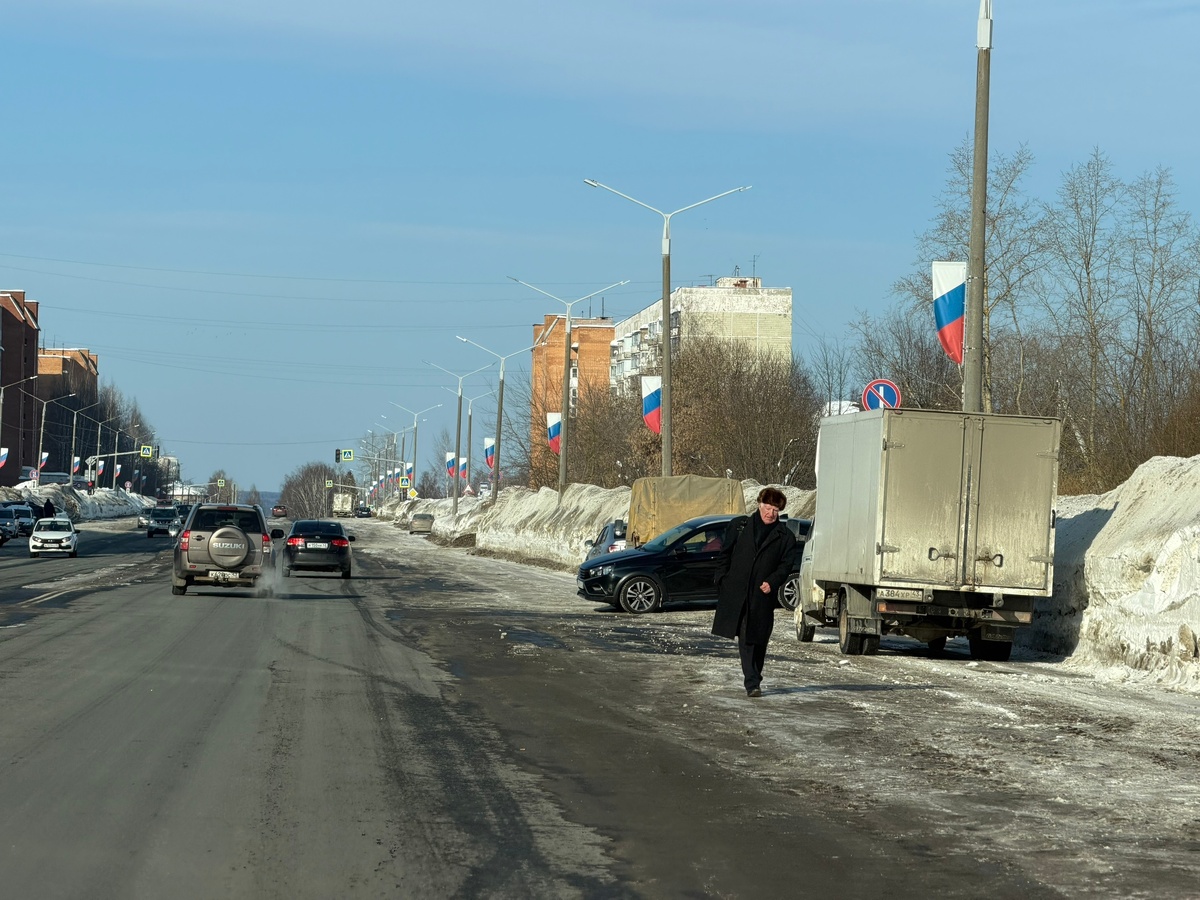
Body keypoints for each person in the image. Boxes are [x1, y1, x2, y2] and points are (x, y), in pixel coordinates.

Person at [711, 487, 797, 698]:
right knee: (746, 638)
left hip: (762, 595)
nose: (771, 513)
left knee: (759, 638)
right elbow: (725, 554)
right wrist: (721, 580)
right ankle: (752, 683)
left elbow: (786, 566)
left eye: (775, 510)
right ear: (760, 504)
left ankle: (755, 676)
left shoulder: (785, 537)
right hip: (737, 591)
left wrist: (773, 582)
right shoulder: (740, 527)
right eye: (768, 508)